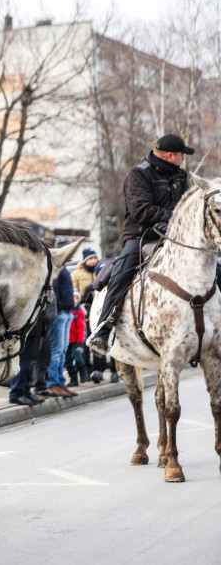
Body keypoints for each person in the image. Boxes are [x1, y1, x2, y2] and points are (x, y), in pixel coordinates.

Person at [88, 134, 194, 355]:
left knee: (211, 266)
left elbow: (187, 205)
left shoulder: (181, 175)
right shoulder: (139, 174)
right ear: (170, 155)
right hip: (142, 236)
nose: (183, 159)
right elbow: (140, 210)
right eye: (181, 155)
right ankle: (102, 330)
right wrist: (174, 217)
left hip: (176, 235)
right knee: (121, 274)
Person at [46, 263, 77, 398]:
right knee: (57, 350)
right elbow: (54, 290)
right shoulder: (55, 268)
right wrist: (57, 310)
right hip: (60, 313)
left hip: (67, 312)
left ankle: (60, 382)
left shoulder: (63, 268)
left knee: (63, 349)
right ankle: (53, 383)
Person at [66, 289, 89, 387]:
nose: (74, 300)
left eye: (76, 298)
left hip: (76, 341)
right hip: (67, 341)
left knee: (77, 356)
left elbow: (81, 328)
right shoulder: (66, 311)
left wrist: (80, 342)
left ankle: (83, 371)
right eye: (72, 298)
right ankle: (73, 378)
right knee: (68, 361)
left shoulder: (79, 312)